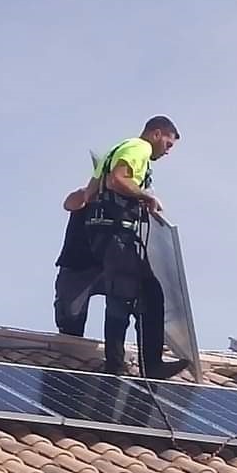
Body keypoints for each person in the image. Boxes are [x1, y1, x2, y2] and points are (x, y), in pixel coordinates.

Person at [54, 116, 186, 379]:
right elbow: (117, 180)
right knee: (133, 296)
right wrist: (145, 195)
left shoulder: (113, 152)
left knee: (134, 293)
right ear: (156, 134)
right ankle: (137, 365)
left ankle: (125, 363)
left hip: (102, 234)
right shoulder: (139, 149)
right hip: (116, 234)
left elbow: (86, 195)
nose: (167, 151)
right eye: (168, 144)